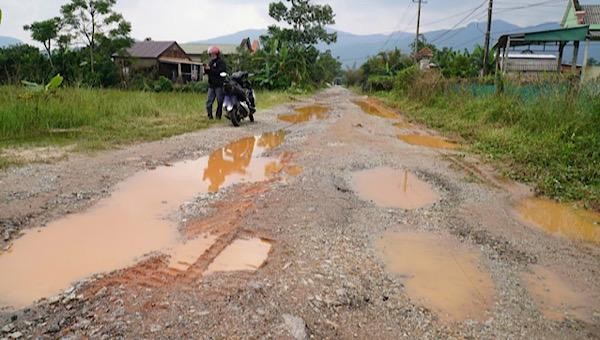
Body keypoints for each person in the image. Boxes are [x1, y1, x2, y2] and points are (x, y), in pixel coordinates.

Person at [204, 46, 227, 120]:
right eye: (210, 54)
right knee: (209, 102)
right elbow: (208, 72)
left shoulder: (221, 62)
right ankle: (209, 116)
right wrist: (206, 69)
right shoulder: (211, 62)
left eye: (212, 54)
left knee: (220, 101)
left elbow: (220, 71)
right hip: (211, 85)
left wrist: (211, 69)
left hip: (219, 85)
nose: (211, 56)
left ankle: (218, 116)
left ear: (216, 54)